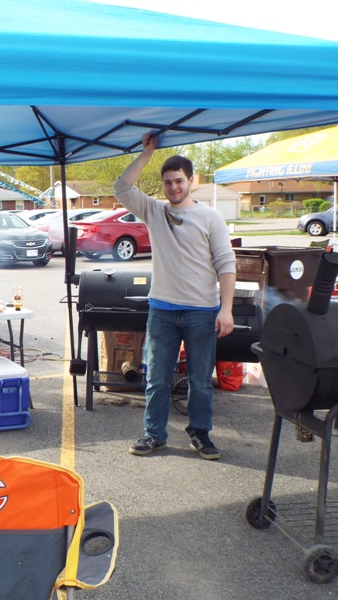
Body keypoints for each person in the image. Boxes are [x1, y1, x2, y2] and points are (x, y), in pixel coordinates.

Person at [114, 132, 236, 461]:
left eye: (179, 181)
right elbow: (121, 187)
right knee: (156, 378)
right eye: (168, 182)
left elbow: (226, 263)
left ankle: (200, 433)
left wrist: (226, 309)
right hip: (162, 311)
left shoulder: (211, 217)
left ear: (191, 181)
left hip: (202, 311)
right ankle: (154, 434)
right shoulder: (154, 211)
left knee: (200, 380)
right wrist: (147, 154)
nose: (173, 187)